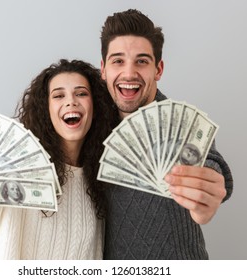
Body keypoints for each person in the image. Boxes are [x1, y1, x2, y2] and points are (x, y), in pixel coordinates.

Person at [0, 59, 118, 259]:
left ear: (95, 107)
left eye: (81, 93)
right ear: (46, 109)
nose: (71, 101)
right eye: (59, 95)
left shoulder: (100, 183)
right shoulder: (17, 163)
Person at [99, 9, 234, 259]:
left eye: (141, 61)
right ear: (103, 69)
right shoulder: (91, 127)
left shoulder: (184, 125)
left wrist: (207, 194)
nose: (129, 73)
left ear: (158, 69)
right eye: (118, 60)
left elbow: (210, 162)